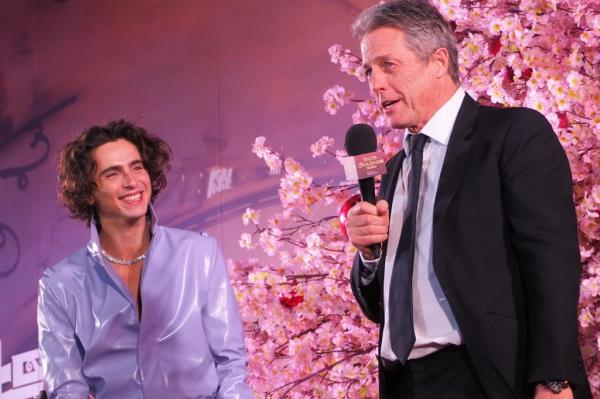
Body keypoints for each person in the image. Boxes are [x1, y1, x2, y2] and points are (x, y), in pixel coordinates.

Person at [346, 1, 592, 398]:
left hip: (485, 376)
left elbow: (550, 261)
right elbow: (379, 308)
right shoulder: (392, 172)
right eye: (368, 70)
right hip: (404, 382)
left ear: (439, 61)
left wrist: (554, 377)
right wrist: (370, 255)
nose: (375, 84)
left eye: (388, 65)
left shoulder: (511, 135)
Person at [37, 120, 253, 398]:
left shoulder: (199, 254)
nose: (131, 181)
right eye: (113, 173)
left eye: (137, 167)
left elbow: (231, 363)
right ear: (88, 192)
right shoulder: (60, 285)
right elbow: (66, 390)